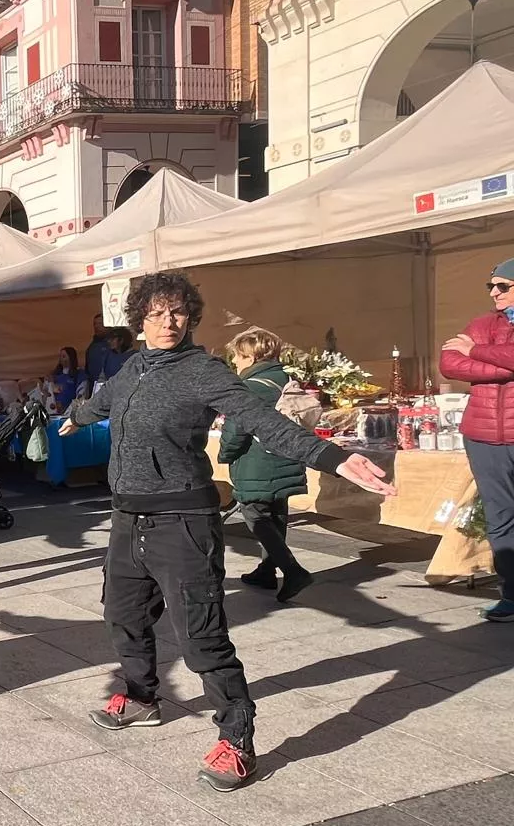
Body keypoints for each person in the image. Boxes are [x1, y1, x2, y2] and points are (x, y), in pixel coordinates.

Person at [62, 271, 395, 791]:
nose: (168, 322)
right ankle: (142, 697)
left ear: (190, 317)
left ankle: (236, 738)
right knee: (123, 617)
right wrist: (76, 417)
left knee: (202, 638)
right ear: (139, 320)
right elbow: (102, 404)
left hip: (183, 522)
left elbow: (263, 420)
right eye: (156, 313)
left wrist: (332, 457)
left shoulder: (203, 371)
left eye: (178, 312)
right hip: (128, 519)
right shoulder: (132, 368)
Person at [441, 258, 514, 623]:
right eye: (491, 286)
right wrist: (504, 366)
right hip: (484, 437)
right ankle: (511, 594)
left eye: (503, 286)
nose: (494, 293)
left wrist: (475, 351)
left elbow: (465, 356)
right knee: (500, 518)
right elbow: (449, 363)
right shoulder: (481, 324)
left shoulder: (477, 339)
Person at [218, 327, 313, 603]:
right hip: (286, 457)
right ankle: (266, 570)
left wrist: (225, 454)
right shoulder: (286, 380)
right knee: (277, 513)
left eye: (237, 357)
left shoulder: (249, 387)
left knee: (255, 514)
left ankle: (293, 571)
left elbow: (236, 430)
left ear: (250, 356)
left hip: (256, 462)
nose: (235, 363)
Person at [48, 347, 89, 412]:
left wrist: (71, 409)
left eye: (64, 356)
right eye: (60, 356)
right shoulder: (55, 375)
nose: (61, 359)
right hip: (54, 410)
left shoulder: (79, 375)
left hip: (70, 411)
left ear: (71, 358)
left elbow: (81, 395)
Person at [84, 314, 111, 385]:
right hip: (94, 385)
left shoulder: (113, 344)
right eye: (95, 324)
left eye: (100, 323)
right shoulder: (92, 346)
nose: (96, 326)